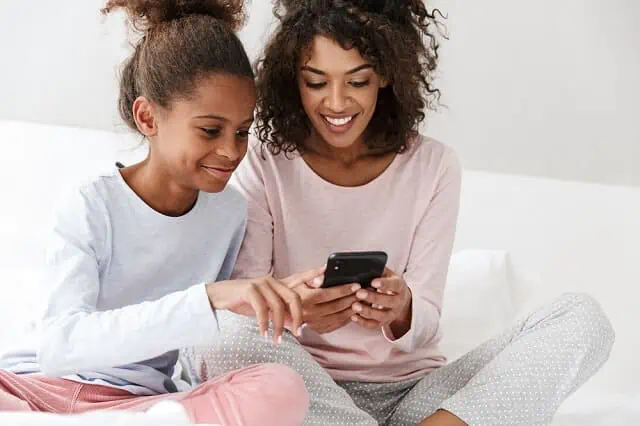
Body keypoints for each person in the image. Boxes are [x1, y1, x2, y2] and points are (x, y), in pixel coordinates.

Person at [183, 1, 616, 425]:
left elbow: (424, 322)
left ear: (385, 76)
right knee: (220, 334)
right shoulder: (265, 161)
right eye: (316, 82)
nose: (336, 103)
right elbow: (246, 303)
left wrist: (403, 306)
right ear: (293, 81)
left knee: (582, 317)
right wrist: (299, 306)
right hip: (301, 388)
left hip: (415, 396)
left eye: (357, 81)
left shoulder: (434, 166)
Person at [0, 1, 312, 425]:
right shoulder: (92, 205)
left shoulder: (232, 213)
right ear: (148, 117)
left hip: (140, 404)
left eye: (241, 132)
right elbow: (59, 348)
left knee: (281, 387)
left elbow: (208, 340)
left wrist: (294, 306)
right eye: (209, 130)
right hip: (32, 388)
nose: (231, 150)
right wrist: (206, 299)